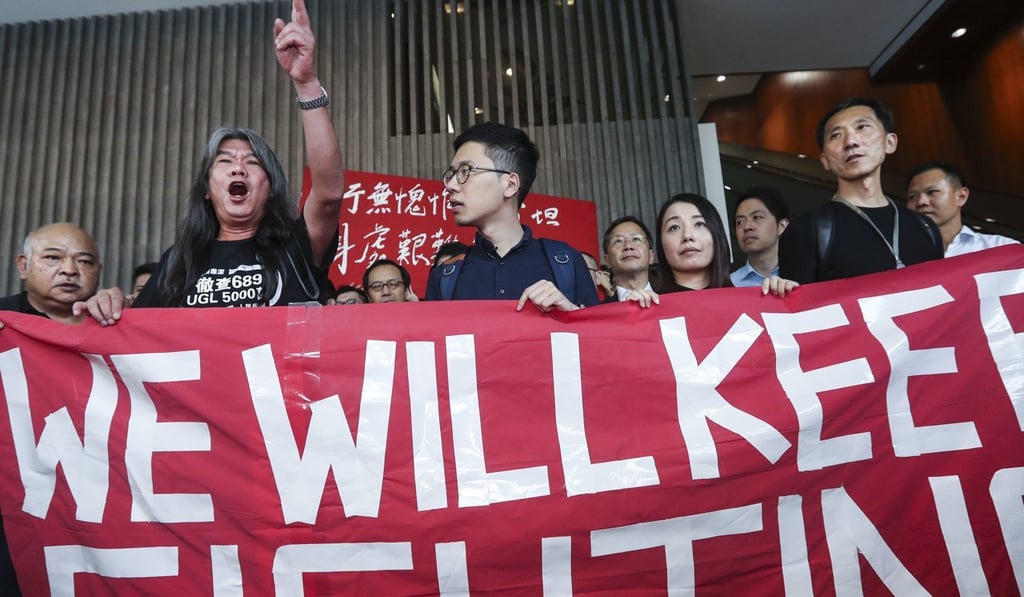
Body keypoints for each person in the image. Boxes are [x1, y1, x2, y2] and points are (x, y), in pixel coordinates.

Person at [78, 0, 344, 322]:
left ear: (269, 185)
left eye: (253, 162)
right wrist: (111, 305)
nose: (238, 167)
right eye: (224, 161)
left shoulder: (295, 251)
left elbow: (328, 195)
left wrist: (306, 83)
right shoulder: (178, 263)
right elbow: (135, 338)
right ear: (206, 188)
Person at [424, 122, 598, 311]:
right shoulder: (445, 278)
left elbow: (601, 338)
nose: (451, 185)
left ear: (510, 185)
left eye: (466, 171)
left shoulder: (567, 264)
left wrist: (572, 315)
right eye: (452, 174)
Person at [778, 97, 942, 283]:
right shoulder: (806, 231)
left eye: (862, 127)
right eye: (836, 135)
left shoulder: (925, 227)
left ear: (890, 142)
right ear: (825, 160)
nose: (851, 142)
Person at [656, 193, 797, 298]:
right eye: (674, 227)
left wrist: (789, 301)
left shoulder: (749, 299)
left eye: (699, 224)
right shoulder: (648, 312)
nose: (687, 236)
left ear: (717, 235)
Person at [905, 160, 1018, 257]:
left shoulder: (1000, 249)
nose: (920, 202)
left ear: (961, 196)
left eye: (932, 192)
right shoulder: (898, 257)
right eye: (912, 197)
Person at [0, 223, 102, 324]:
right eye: (53, 258)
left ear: (98, 271)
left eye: (84, 261)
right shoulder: (2, 314)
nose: (69, 270)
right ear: (23, 266)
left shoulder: (112, 319)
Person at [730, 187, 790, 287]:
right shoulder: (729, 285)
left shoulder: (805, 276)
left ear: (781, 226)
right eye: (740, 222)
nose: (747, 227)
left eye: (757, 217)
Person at [601, 215, 655, 302]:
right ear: (607, 261)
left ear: (651, 256)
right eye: (618, 241)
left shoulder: (673, 303)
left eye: (637, 239)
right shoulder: (598, 312)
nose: (628, 246)